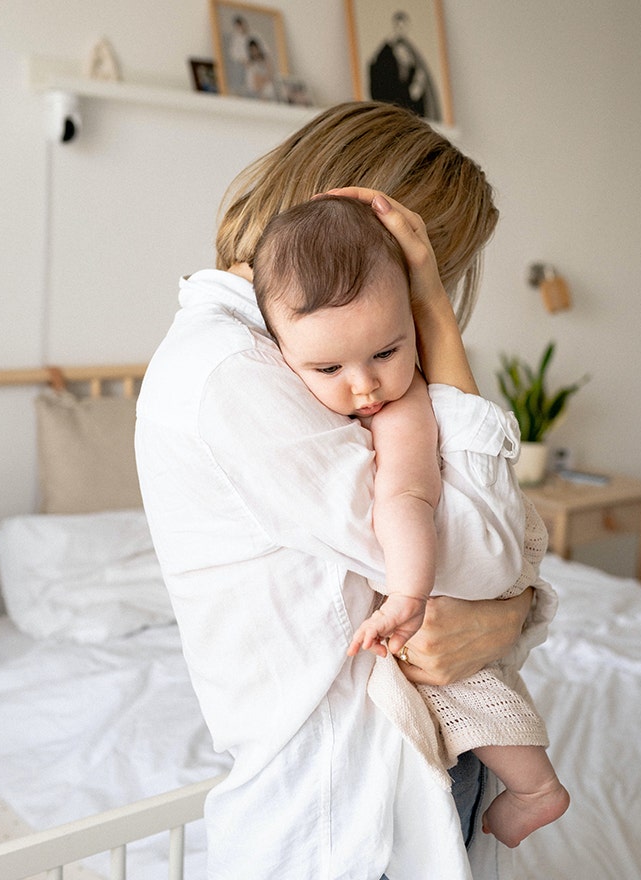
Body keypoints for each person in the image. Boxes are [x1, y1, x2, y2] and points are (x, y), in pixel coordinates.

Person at [135, 101, 557, 879]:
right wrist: (434, 313)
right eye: (434, 264)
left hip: (413, 772)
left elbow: (471, 555)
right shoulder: (234, 373)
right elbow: (487, 555)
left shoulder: (303, 357)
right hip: (341, 817)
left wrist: (509, 614)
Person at [252, 194, 569, 849]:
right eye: (328, 368)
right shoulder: (256, 389)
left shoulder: (400, 411)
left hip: (439, 593)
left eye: (388, 352)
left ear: (413, 329)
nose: (366, 385)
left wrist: (408, 595)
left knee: (468, 690)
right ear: (277, 351)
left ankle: (537, 788)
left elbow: (406, 501)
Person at [368, 10, 441, 120]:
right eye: (399, 26)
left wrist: (417, 86)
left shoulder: (409, 49)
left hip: (410, 107)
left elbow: (417, 74)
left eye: (404, 27)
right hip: (395, 103)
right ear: (395, 26)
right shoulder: (386, 52)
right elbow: (380, 78)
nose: (402, 30)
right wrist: (410, 92)